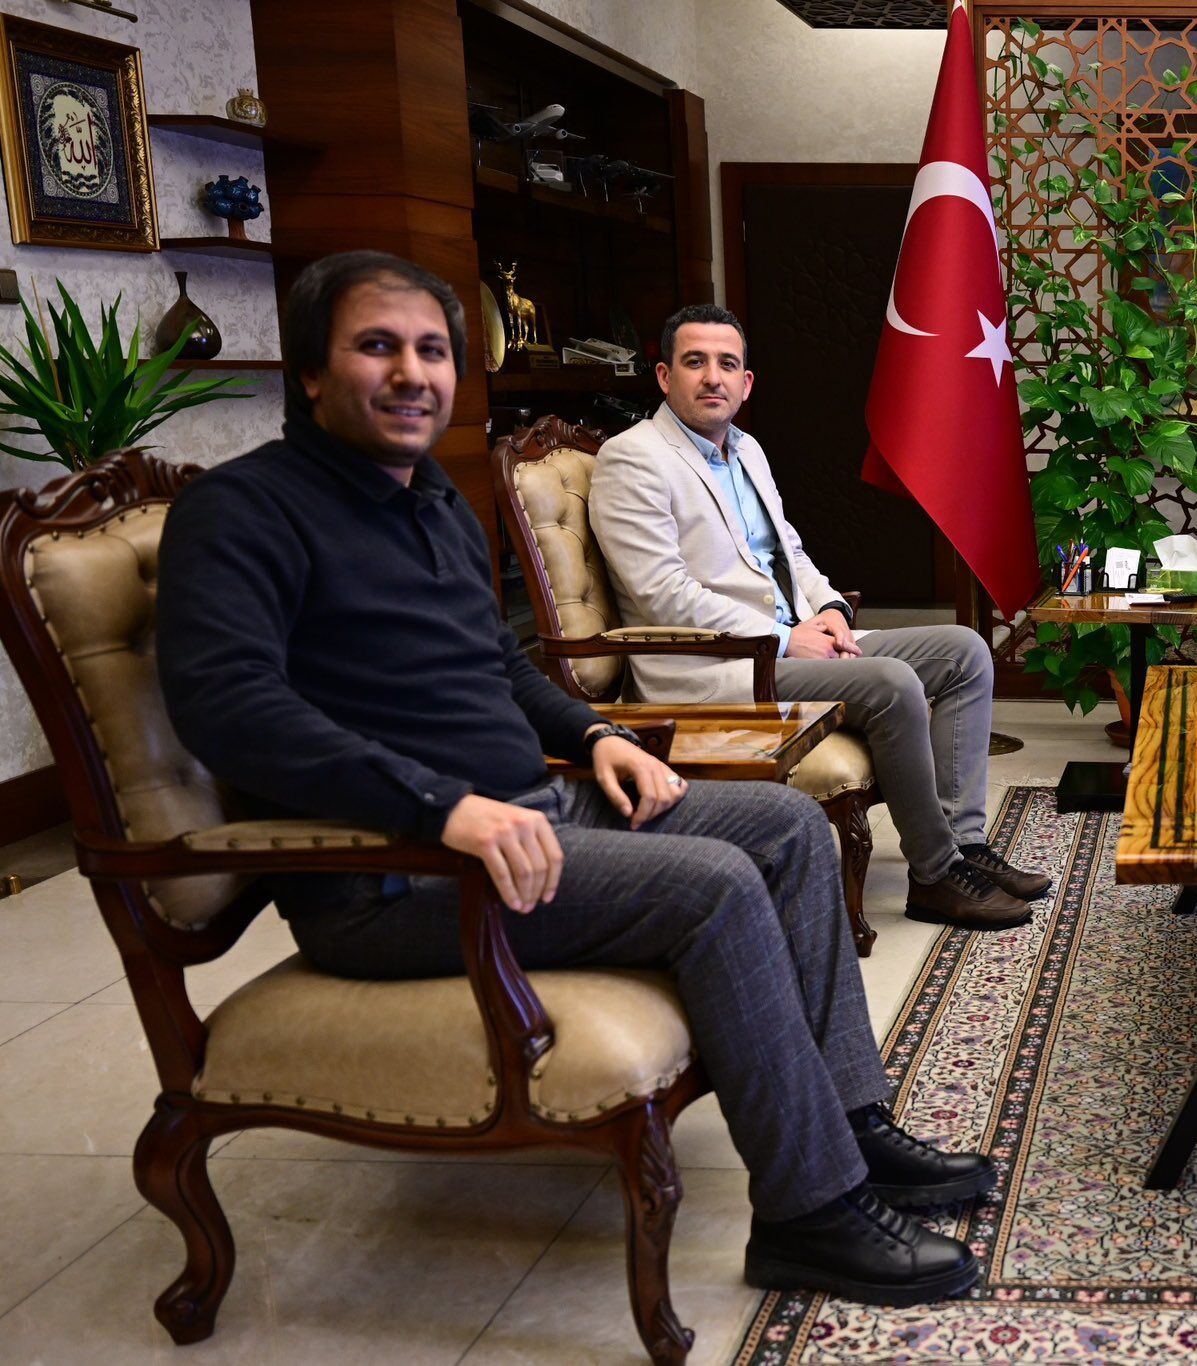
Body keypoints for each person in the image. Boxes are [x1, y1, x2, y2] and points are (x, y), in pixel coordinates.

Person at [154, 250, 992, 1308]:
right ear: (312, 373)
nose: (412, 372)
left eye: (432, 350)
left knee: (783, 828)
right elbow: (228, 709)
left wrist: (596, 737)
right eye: (377, 346)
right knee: (717, 885)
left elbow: (501, 668)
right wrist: (441, 809)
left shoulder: (429, 501)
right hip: (395, 871)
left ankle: (851, 1124)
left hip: (540, 806)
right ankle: (809, 1214)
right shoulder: (242, 511)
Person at [588, 304, 1049, 932]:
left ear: (747, 382)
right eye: (695, 362)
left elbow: (791, 554)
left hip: (789, 638)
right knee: (891, 683)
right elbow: (663, 594)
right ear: (665, 376)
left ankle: (965, 846)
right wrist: (784, 639)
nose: (713, 377)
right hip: (717, 665)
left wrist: (830, 610)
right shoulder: (633, 458)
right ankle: (934, 875)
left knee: (964, 651)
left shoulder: (746, 450)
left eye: (727, 364)